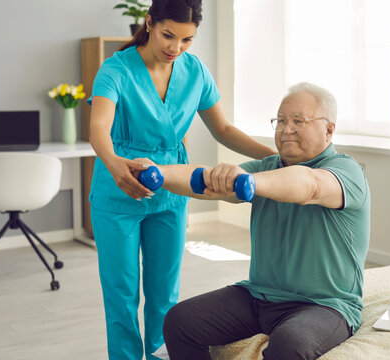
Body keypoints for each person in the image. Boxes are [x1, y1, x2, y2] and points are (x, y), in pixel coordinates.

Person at [87, 0, 276, 359]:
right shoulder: (115, 69)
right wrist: (114, 164)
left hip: (172, 193)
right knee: (122, 295)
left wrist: (273, 159)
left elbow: (222, 128)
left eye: (187, 39)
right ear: (150, 23)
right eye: (168, 35)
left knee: (165, 294)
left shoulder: (195, 72)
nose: (176, 47)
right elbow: (99, 130)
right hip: (119, 192)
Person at [140, 82, 370, 359]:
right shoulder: (267, 167)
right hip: (258, 296)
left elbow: (309, 186)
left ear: (329, 129)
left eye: (299, 121)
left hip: (325, 305)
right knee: (180, 321)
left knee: (290, 343)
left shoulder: (345, 170)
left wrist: (248, 181)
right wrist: (158, 172)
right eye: (281, 121)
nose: (287, 129)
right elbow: (204, 181)